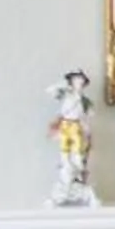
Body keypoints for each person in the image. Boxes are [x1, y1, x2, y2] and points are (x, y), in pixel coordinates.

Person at [46, 71, 94, 208]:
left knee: (78, 152)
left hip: (76, 126)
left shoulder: (84, 101)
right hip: (65, 125)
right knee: (65, 151)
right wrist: (62, 87)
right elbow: (50, 91)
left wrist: (87, 130)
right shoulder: (66, 95)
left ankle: (77, 172)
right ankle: (66, 171)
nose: (79, 83)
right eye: (76, 80)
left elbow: (88, 115)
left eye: (81, 81)